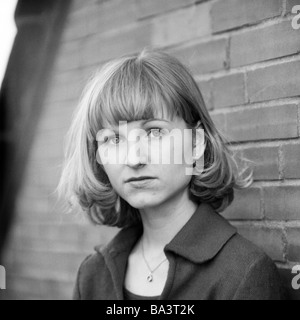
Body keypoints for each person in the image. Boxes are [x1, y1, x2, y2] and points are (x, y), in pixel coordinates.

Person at [57, 48, 284, 300]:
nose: (134, 159)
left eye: (155, 132)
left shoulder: (244, 274)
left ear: (196, 143)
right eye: (114, 139)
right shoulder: (92, 276)